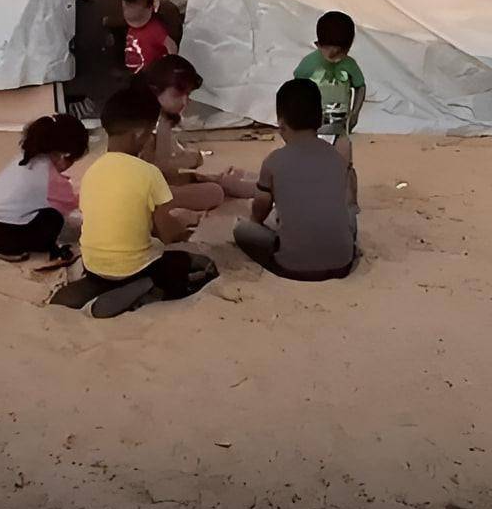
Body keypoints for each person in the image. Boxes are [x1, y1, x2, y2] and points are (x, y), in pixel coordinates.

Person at [49, 84, 215, 318]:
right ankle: (141, 287)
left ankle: (100, 287)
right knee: (182, 263)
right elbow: (166, 234)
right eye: (149, 134)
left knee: (116, 263)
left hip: (93, 264)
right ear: (139, 134)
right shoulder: (149, 173)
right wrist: (183, 229)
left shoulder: (91, 172)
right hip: (133, 267)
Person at [235, 79, 357, 281]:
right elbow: (344, 202)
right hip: (342, 264)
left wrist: (256, 223)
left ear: (281, 123)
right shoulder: (337, 158)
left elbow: (260, 209)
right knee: (349, 215)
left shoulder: (274, 161)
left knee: (242, 229)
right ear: (320, 119)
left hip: (292, 267)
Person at [133, 55, 253, 211]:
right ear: (155, 91)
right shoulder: (143, 129)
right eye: (177, 95)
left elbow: (173, 161)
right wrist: (190, 160)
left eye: (188, 95)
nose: (184, 102)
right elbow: (159, 170)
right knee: (214, 191)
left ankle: (255, 187)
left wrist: (193, 163)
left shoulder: (164, 119)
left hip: (162, 184)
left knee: (214, 182)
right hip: (146, 193)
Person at [0, 114, 88, 263]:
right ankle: (18, 249)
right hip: (4, 236)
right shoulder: (51, 180)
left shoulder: (24, 157)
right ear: (64, 155)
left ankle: (6, 246)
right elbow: (74, 204)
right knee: (54, 218)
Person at [293, 10, 367, 157]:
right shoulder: (309, 63)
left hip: (340, 125)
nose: (335, 57)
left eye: (341, 52)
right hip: (311, 126)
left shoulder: (349, 65)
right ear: (318, 45)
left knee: (342, 155)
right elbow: (295, 89)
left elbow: (360, 86)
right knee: (311, 157)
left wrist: (355, 113)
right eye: (330, 52)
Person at [118, 0, 172, 73]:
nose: (129, 9)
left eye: (132, 5)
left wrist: (169, 69)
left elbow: (171, 46)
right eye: (127, 6)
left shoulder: (155, 29)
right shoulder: (130, 27)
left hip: (150, 75)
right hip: (133, 74)